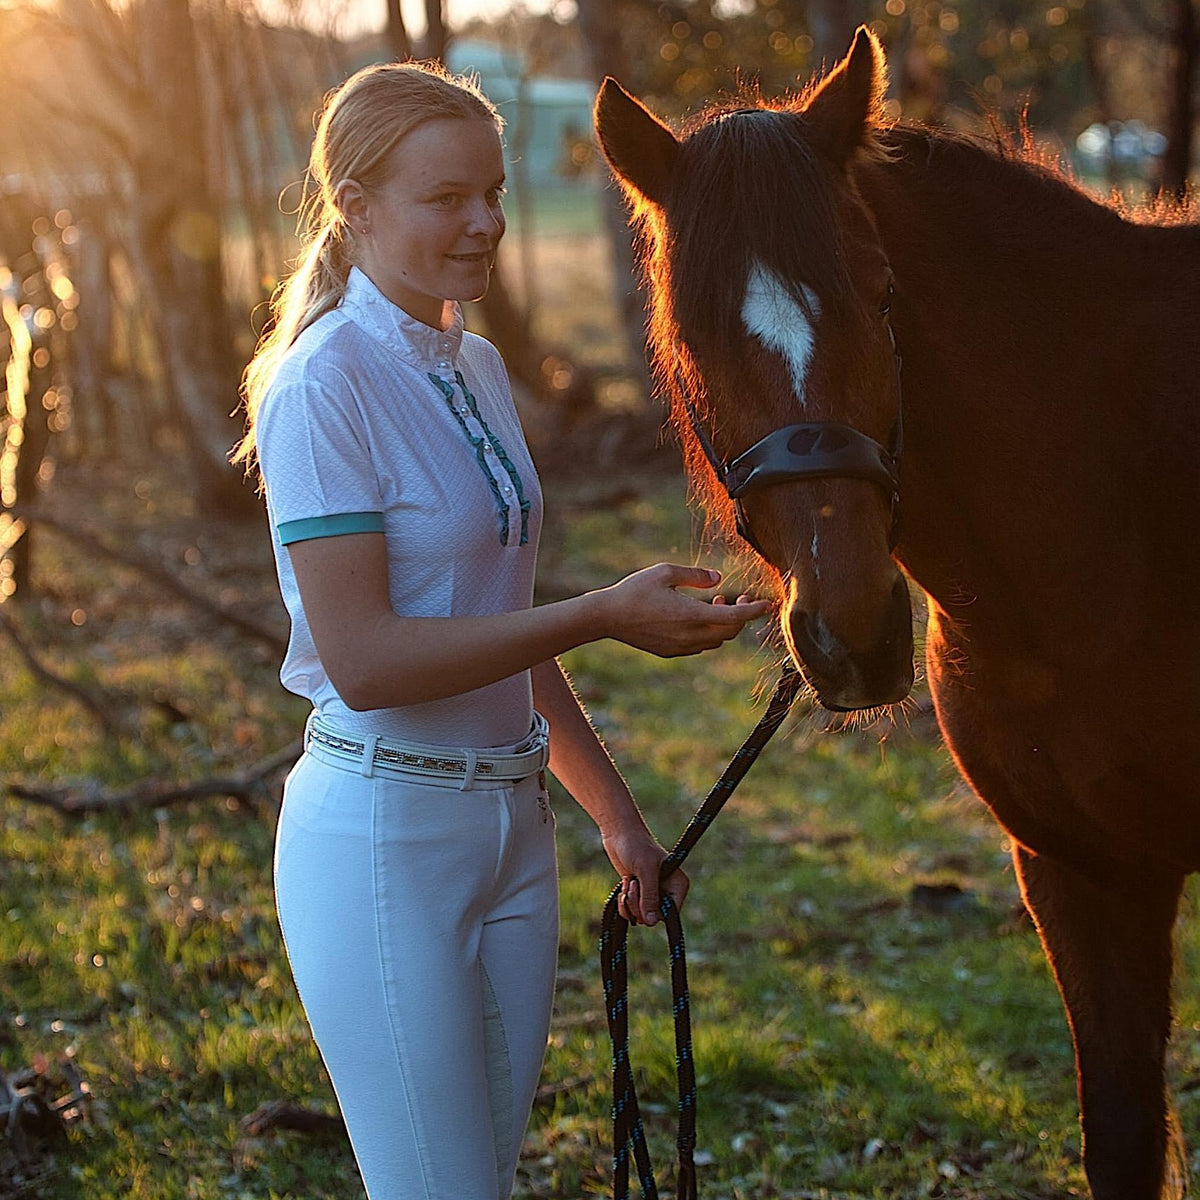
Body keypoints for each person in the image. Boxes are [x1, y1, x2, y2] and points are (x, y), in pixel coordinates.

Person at [232, 60, 770, 1200]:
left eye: (495, 190)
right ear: (356, 204)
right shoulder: (321, 385)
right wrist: (604, 615)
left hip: (514, 833)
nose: (486, 222)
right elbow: (367, 662)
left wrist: (618, 819)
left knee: (482, 1179)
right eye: (447, 199)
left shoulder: (471, 360)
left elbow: (499, 624)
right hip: (385, 840)